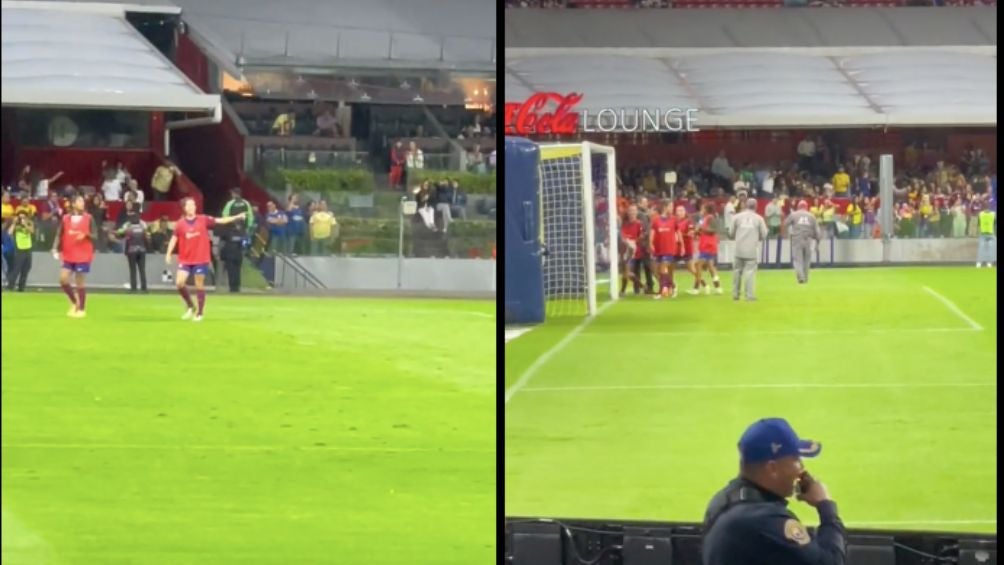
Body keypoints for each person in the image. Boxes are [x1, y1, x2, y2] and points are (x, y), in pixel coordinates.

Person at [702, 418, 846, 565]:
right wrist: (826, 506)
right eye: (796, 459)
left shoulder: (723, 501)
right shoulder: (766, 521)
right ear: (772, 469)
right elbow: (831, 562)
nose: (801, 468)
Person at [164, 198, 246, 322]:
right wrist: (168, 253)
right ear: (185, 208)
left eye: (193, 204)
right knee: (179, 283)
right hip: (186, 259)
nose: (192, 207)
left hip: (200, 258)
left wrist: (236, 217)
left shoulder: (203, 219)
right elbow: (174, 239)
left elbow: (220, 220)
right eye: (189, 205)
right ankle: (191, 306)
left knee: (199, 284)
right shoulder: (180, 224)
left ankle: (200, 313)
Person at [53, 195, 97, 318]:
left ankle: (82, 309)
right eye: (79, 201)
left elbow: (96, 235)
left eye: (83, 201)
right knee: (63, 279)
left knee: (79, 282)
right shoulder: (65, 218)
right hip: (69, 254)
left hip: (83, 254)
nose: (82, 203)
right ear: (73, 204)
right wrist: (54, 247)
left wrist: (85, 235)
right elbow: (58, 234)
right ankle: (74, 302)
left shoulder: (89, 218)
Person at [728, 198, 768, 301]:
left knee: (737, 272)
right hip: (751, 250)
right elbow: (764, 234)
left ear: (746, 205)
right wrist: (757, 236)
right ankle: (749, 295)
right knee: (749, 273)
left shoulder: (736, 217)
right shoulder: (759, 219)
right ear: (756, 206)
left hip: (738, 249)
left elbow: (731, 233)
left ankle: (735, 294)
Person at [220, 188, 256, 292]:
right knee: (238, 263)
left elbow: (224, 217)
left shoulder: (230, 204)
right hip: (242, 238)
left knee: (230, 264)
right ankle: (237, 286)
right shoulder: (246, 203)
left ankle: (232, 287)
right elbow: (250, 219)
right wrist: (246, 231)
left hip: (231, 237)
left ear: (233, 194)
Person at [784, 201, 822, 284]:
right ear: (806, 207)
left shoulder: (794, 214)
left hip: (797, 239)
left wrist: (787, 234)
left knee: (798, 260)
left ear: (798, 207)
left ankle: (800, 277)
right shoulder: (812, 216)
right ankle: (805, 278)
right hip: (808, 239)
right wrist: (817, 243)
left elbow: (785, 223)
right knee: (807, 260)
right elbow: (817, 231)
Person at [649, 201, 679, 299]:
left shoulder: (674, 219)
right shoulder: (656, 220)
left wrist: (681, 245)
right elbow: (652, 233)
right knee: (659, 270)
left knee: (663, 267)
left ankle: (662, 291)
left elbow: (678, 233)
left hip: (669, 248)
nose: (672, 209)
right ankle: (672, 286)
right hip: (659, 248)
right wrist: (650, 243)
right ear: (665, 207)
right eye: (671, 206)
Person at [694, 203, 723, 295]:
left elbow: (714, 230)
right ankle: (718, 288)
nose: (701, 210)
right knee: (711, 267)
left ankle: (696, 288)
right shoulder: (704, 219)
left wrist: (701, 229)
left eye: (703, 208)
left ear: (707, 209)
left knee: (698, 265)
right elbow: (699, 230)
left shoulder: (710, 217)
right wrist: (697, 231)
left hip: (708, 245)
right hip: (705, 244)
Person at [116, 213, 149, 292]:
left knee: (133, 270)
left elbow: (120, 234)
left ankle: (133, 288)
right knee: (142, 270)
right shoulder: (142, 228)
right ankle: (144, 288)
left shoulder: (128, 228)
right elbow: (146, 238)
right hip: (142, 250)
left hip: (132, 251)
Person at [619, 204, 644, 296]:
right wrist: (625, 240)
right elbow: (621, 235)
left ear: (637, 212)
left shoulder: (638, 223)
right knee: (626, 272)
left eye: (634, 211)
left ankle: (623, 290)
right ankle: (642, 286)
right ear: (628, 212)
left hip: (633, 251)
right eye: (630, 210)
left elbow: (641, 235)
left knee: (627, 271)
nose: (632, 212)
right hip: (624, 250)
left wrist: (633, 242)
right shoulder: (624, 224)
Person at [7, 210, 35, 291]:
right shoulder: (16, 225)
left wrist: (25, 224)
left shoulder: (29, 223)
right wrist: (14, 223)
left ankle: (21, 287)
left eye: (23, 217)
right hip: (19, 249)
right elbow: (9, 233)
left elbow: (31, 231)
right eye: (20, 217)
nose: (22, 218)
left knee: (26, 269)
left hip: (28, 248)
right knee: (16, 268)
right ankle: (10, 286)